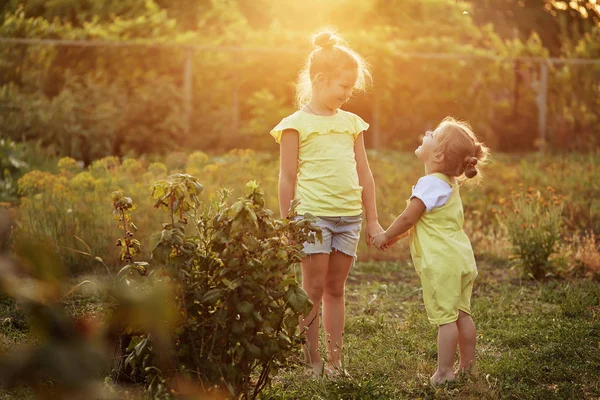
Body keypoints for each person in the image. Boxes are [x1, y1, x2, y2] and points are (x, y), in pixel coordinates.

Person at [270, 30, 382, 376]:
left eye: (351, 88)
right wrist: (288, 221)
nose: (348, 94)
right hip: (312, 217)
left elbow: (364, 173)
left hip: (349, 218)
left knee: (336, 289)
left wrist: (373, 220)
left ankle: (335, 362)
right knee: (313, 290)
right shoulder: (295, 126)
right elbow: (286, 178)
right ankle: (313, 362)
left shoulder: (352, 124)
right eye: (343, 86)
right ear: (320, 79)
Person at [372, 117, 489, 384]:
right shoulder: (448, 184)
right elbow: (422, 222)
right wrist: (395, 238)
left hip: (442, 263)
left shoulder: (429, 184)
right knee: (461, 313)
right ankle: (468, 367)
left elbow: (407, 218)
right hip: (460, 258)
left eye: (433, 134)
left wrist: (385, 236)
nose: (426, 132)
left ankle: (445, 372)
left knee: (445, 319)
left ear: (437, 154)